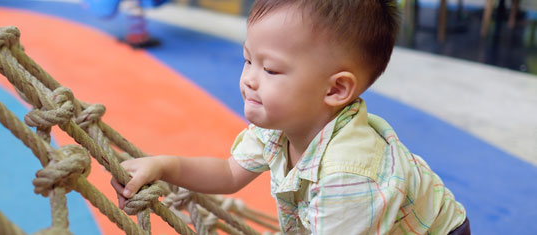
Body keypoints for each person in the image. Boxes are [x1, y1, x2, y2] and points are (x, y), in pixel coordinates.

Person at [110, 0, 469, 234]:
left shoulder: (348, 175)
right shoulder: (281, 125)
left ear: (334, 90)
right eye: (248, 59)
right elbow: (229, 172)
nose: (249, 78)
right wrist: (165, 166)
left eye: (271, 70)